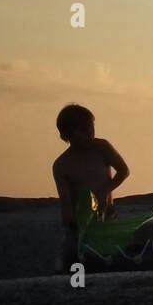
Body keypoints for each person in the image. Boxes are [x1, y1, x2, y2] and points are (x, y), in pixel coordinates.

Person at [52, 104, 130, 266]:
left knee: (111, 254)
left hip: (106, 215)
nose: (89, 134)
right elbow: (66, 202)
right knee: (73, 257)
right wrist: (73, 227)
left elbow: (123, 171)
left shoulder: (102, 148)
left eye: (91, 128)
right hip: (80, 222)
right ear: (67, 135)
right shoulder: (61, 165)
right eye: (83, 131)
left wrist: (106, 190)